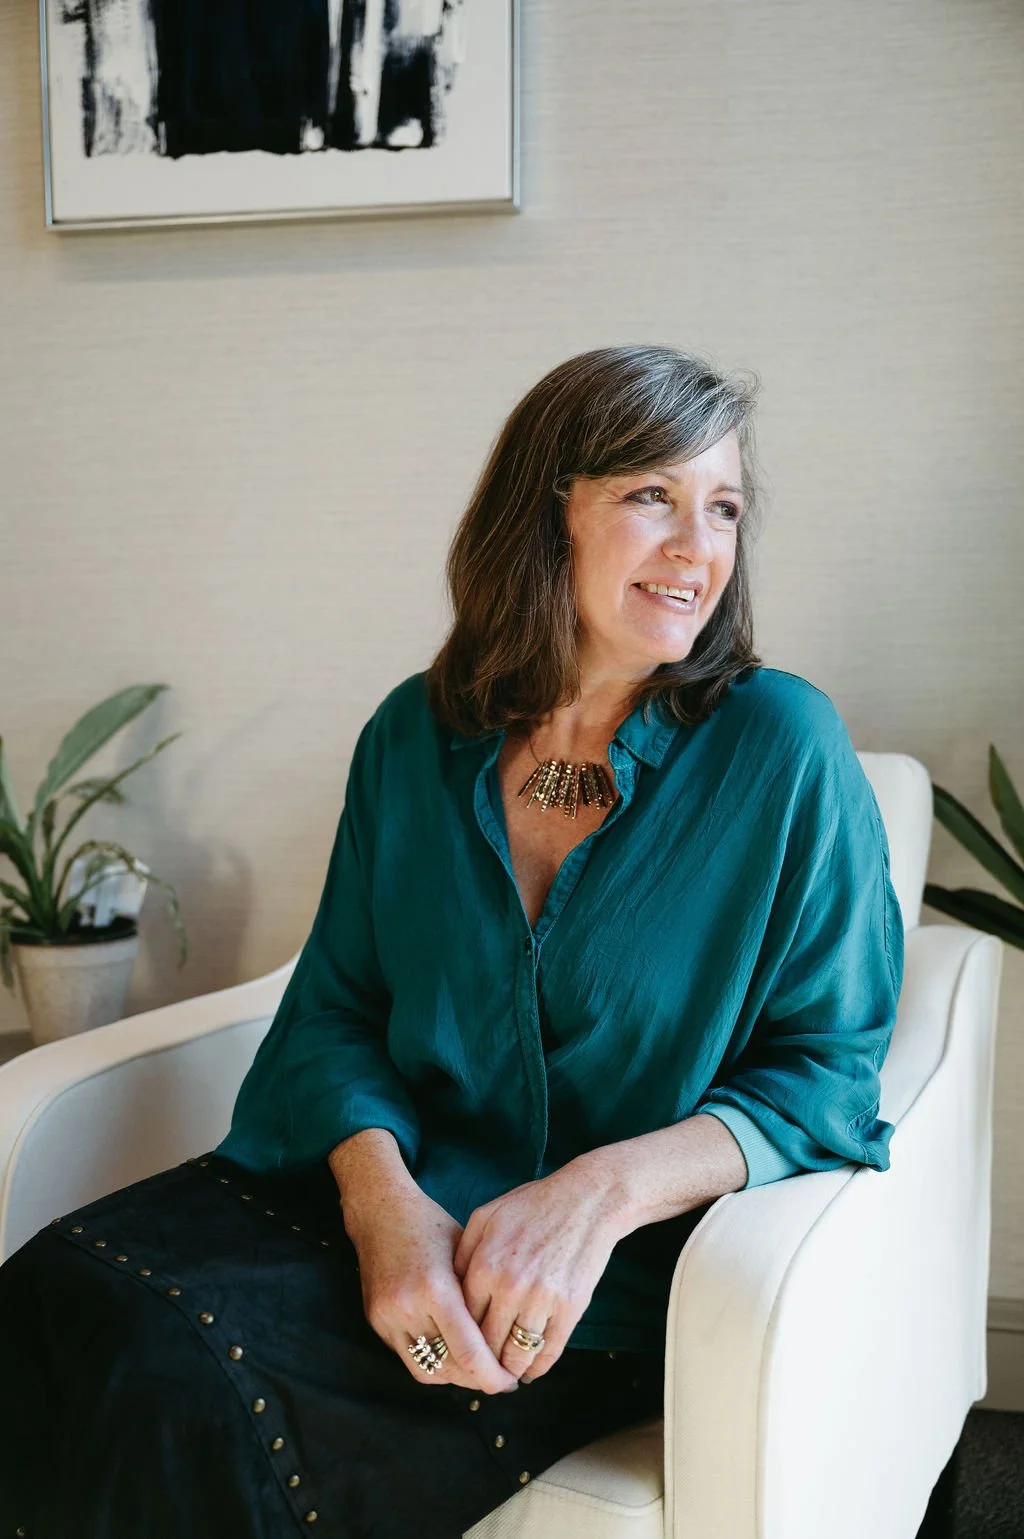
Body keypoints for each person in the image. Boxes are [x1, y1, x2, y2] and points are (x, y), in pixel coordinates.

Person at [0, 344, 905, 1539]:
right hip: (363, 1207)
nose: (698, 550)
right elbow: (333, 1010)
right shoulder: (413, 735)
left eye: (723, 508)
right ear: (546, 516)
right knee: (48, 1302)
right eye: (652, 497)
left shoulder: (780, 747)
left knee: (186, 1399)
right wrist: (387, 1213)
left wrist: (594, 1193)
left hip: (581, 1286)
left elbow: (826, 1065)